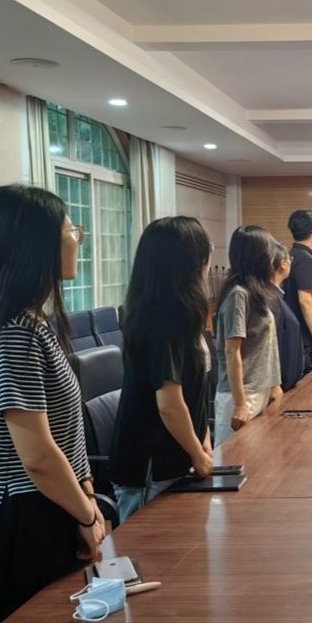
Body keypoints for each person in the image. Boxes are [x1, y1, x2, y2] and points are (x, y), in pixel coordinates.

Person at [0, 185, 102, 623]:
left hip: (43, 509)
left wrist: (87, 495)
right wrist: (86, 514)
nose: (77, 239)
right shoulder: (15, 333)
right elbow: (36, 455)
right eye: (70, 230)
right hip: (16, 524)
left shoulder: (30, 324)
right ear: (35, 246)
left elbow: (66, 433)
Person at [111, 217, 214, 523]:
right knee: (151, 548)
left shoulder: (184, 316)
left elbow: (194, 391)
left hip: (176, 461)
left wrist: (203, 439)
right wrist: (197, 453)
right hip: (150, 468)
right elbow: (169, 404)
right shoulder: (161, 321)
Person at [213, 226, 283, 447]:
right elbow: (231, 351)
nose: (272, 257)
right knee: (235, 459)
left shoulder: (257, 292)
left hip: (260, 390)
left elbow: (267, 345)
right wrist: (240, 404)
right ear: (258, 256)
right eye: (269, 251)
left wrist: (274, 384)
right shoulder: (238, 294)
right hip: (242, 395)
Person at [285, 209, 312, 368]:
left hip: (301, 336)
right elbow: (305, 300)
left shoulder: (294, 255)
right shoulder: (305, 259)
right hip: (307, 339)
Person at [271, 242, 305, 392]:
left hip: (287, 383)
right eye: (289, 259)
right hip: (279, 386)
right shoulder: (270, 299)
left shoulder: (278, 294)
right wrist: (275, 385)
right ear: (283, 264)